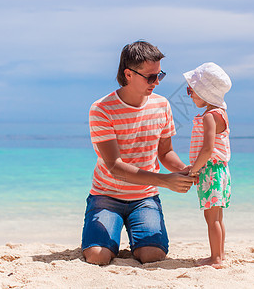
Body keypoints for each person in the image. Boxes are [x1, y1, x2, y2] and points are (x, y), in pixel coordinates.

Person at [82, 40, 195, 265]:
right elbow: (115, 166)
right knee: (98, 257)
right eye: (150, 77)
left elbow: (165, 153)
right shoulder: (102, 109)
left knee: (152, 256)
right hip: (106, 196)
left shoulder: (162, 105)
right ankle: (103, 240)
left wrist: (184, 170)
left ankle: (134, 240)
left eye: (159, 75)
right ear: (128, 74)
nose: (156, 82)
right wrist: (165, 181)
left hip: (144, 198)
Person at [184, 62, 232, 268]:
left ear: (204, 92)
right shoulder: (221, 113)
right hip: (221, 171)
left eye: (191, 91)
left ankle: (216, 258)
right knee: (218, 216)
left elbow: (207, 149)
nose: (190, 95)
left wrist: (193, 170)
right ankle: (219, 254)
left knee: (211, 217)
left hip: (210, 171)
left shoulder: (209, 117)